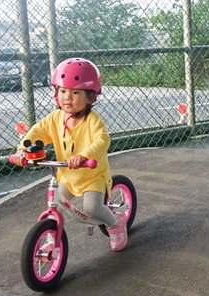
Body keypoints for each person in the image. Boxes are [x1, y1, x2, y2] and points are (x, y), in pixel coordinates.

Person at [10, 58, 128, 251]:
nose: (67, 97)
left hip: (92, 175)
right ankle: (50, 241)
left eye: (75, 92)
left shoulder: (92, 121)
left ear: (90, 96)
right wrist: (22, 150)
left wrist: (83, 155)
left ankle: (115, 223)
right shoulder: (56, 118)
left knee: (92, 208)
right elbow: (37, 132)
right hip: (66, 174)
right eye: (63, 91)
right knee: (54, 203)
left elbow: (102, 140)